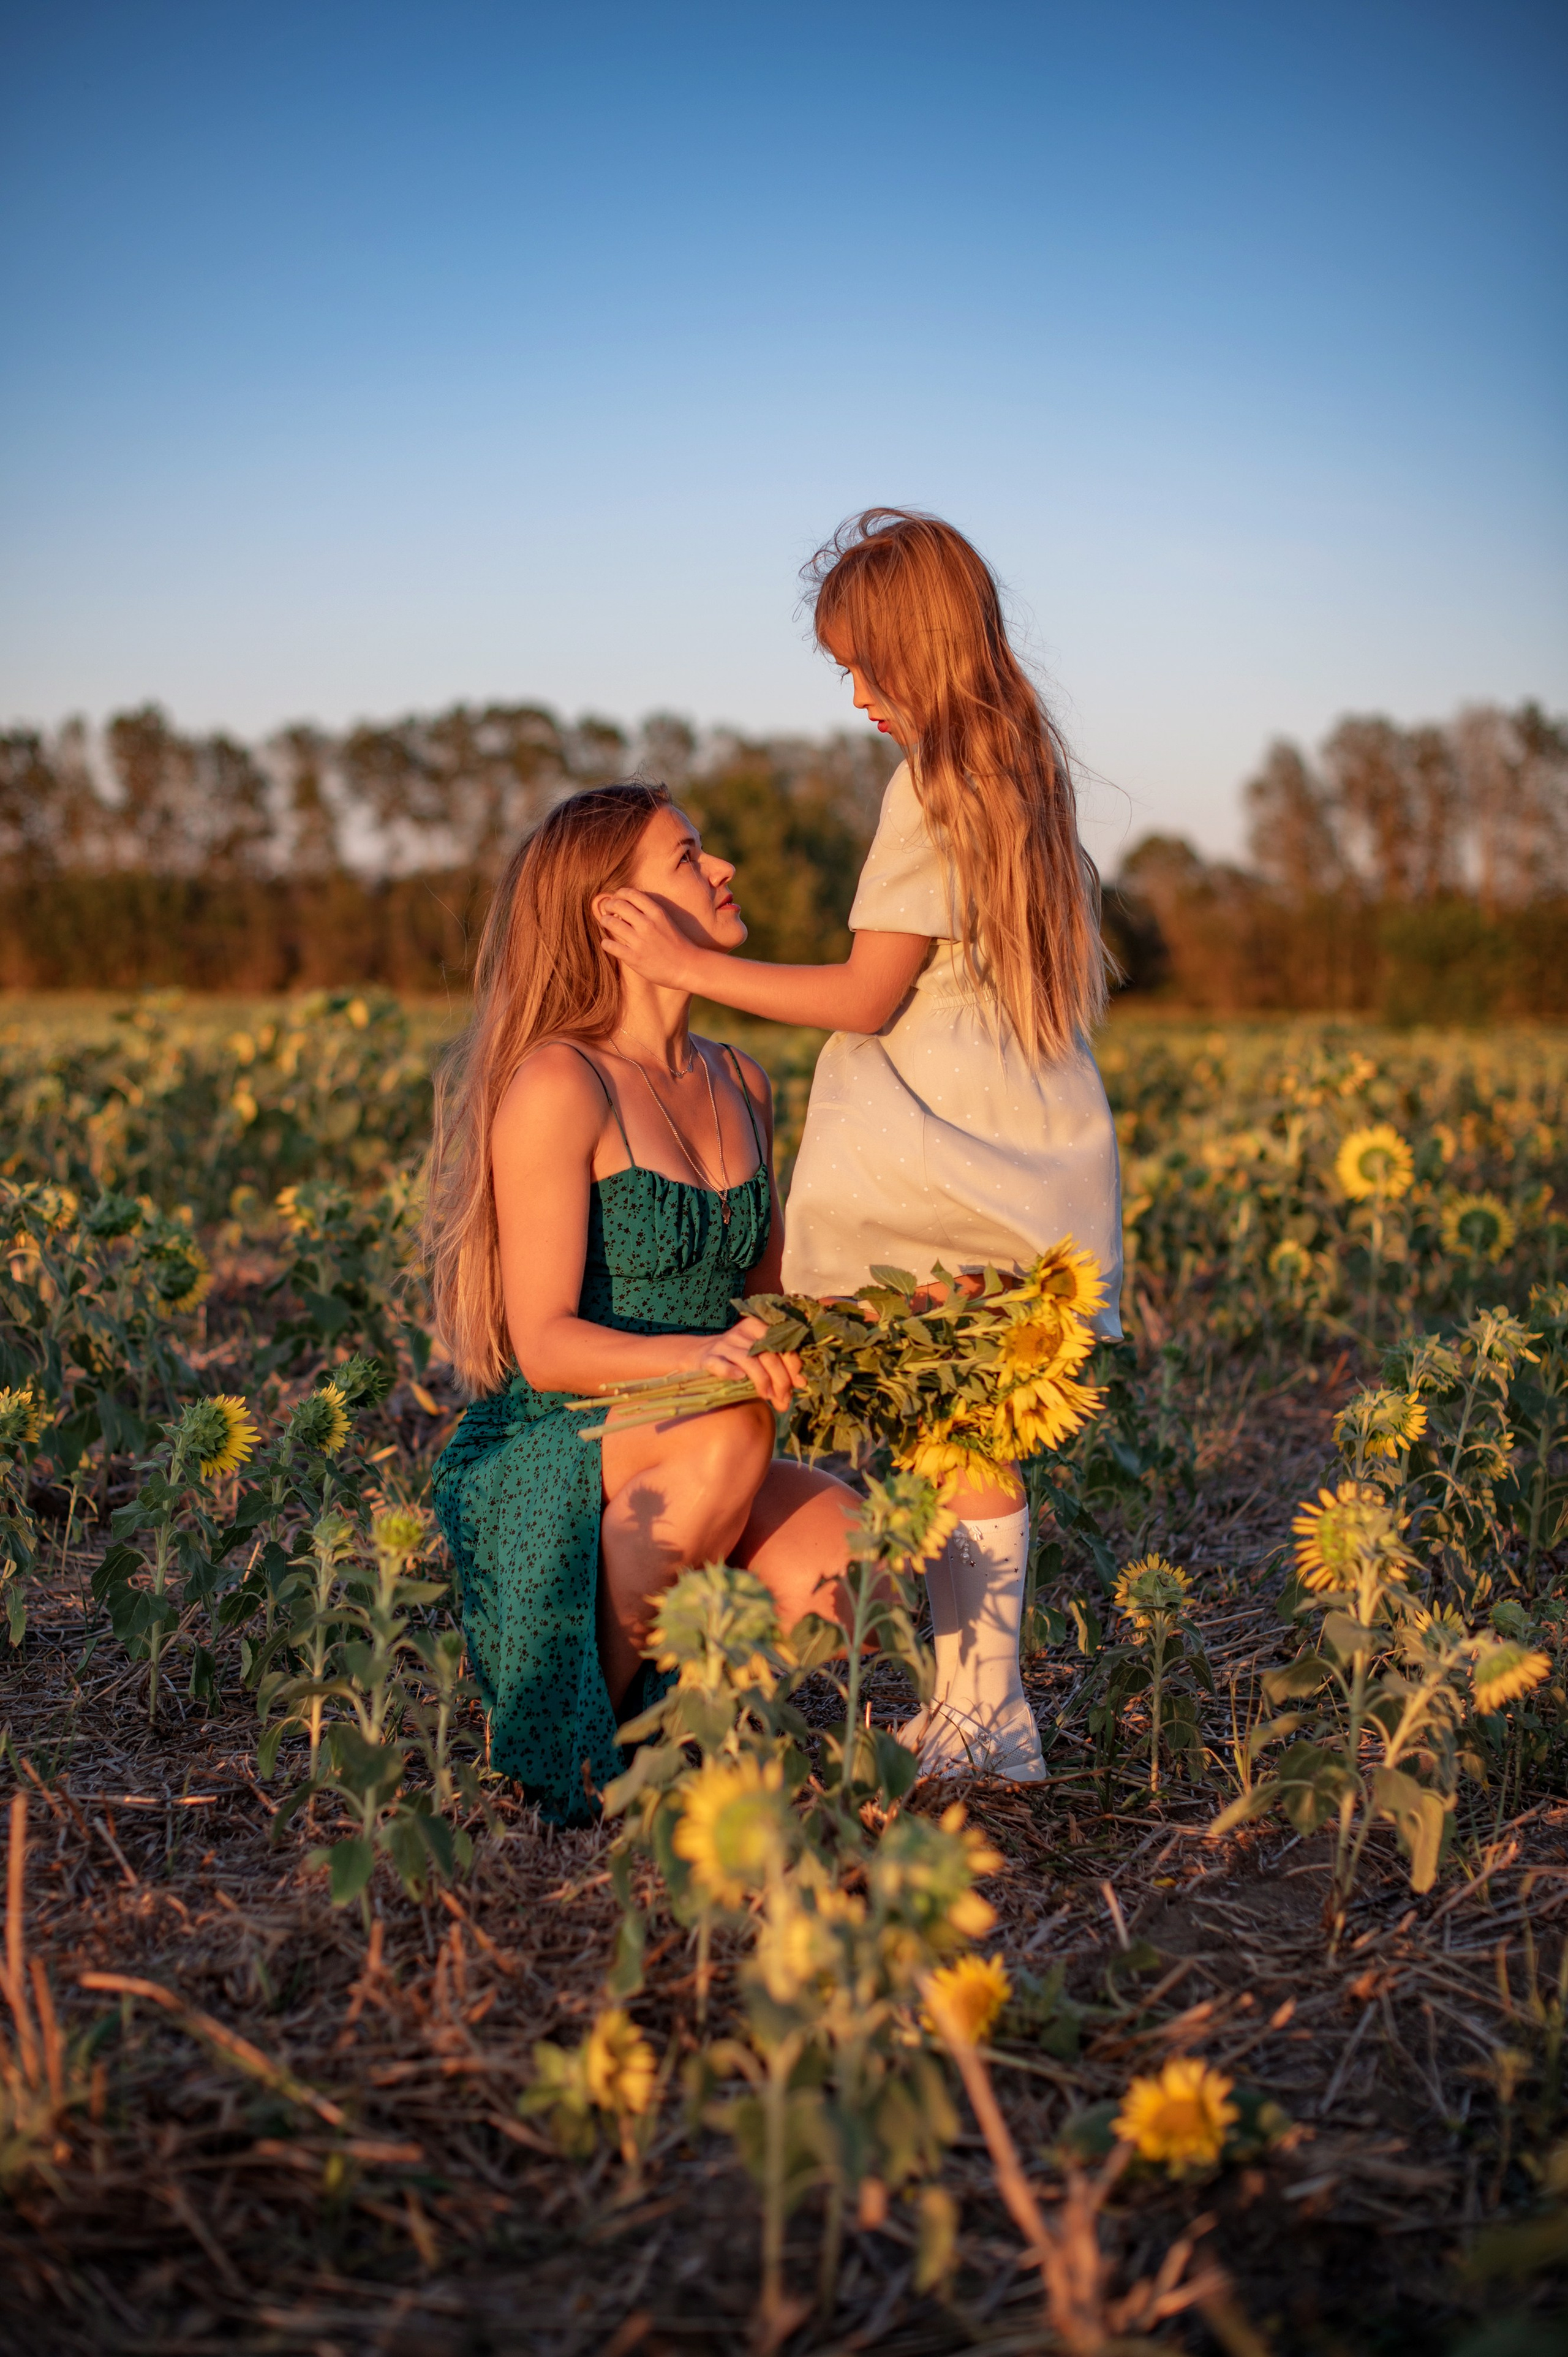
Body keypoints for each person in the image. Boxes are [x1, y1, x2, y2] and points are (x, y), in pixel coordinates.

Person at [597, 510, 1122, 1782]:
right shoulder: (1023, 773)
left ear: (918, 650)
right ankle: (978, 1711)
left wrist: (684, 965)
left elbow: (864, 995)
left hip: (947, 1159)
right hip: (1028, 1145)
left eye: (865, 667)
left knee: (953, 1437)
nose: (857, 699)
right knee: (964, 1437)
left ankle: (984, 1720)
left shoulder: (934, 782)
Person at [424, 781, 859, 1823]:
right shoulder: (561, 1083)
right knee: (728, 1432)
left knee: (855, 1548)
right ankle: (575, 1747)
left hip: (706, 1424)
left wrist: (876, 1315)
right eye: (689, 857)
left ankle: (683, 1722)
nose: (724, 870)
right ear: (615, 914)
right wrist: (705, 1363)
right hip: (561, 1438)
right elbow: (544, 1346)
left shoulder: (741, 1079)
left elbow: (768, 1302)